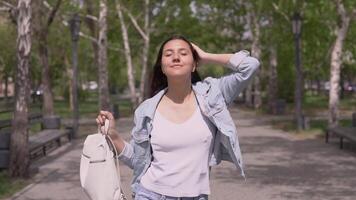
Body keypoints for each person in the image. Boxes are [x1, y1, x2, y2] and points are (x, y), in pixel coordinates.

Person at [96, 35, 260, 200]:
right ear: (162, 66)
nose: (175, 57)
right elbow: (138, 159)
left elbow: (250, 65)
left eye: (183, 53)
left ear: (194, 64)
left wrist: (205, 56)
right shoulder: (146, 110)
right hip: (150, 195)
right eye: (168, 54)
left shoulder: (212, 95)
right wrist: (113, 135)